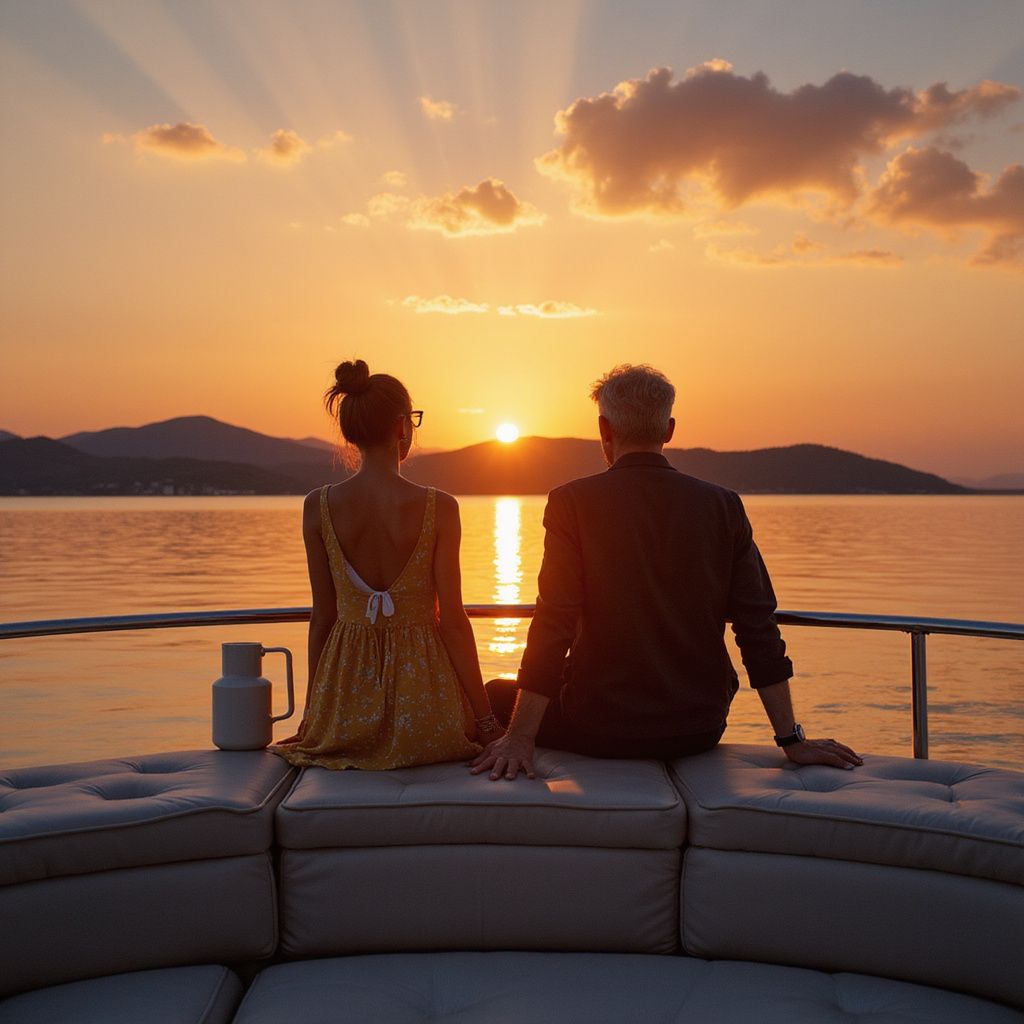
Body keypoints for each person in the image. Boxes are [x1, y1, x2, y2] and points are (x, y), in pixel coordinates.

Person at [471, 363, 862, 781]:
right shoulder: (722, 505)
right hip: (698, 727)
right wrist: (791, 739)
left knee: (495, 693)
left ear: (604, 429)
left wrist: (519, 738)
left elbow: (555, 622)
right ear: (669, 429)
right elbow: (757, 626)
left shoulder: (573, 503)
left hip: (601, 727)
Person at [273, 359, 504, 770]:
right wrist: (486, 724)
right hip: (428, 713)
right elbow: (452, 621)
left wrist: (314, 718)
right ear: (402, 426)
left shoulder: (318, 507)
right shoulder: (440, 508)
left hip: (344, 713)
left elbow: (322, 618)